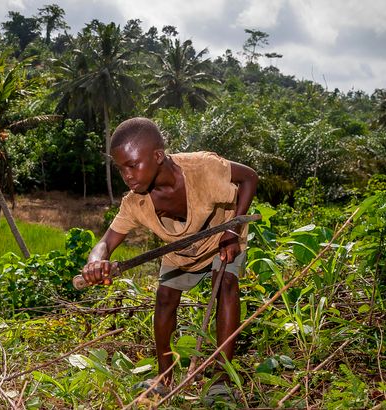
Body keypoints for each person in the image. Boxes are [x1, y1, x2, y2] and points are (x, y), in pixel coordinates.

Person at [80, 117, 258, 401]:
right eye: (120, 168)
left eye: (132, 165)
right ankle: (164, 376)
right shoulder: (135, 203)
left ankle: (221, 380)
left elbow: (249, 177)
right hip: (181, 248)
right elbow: (106, 241)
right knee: (164, 298)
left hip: (223, 236)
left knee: (226, 283)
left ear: (158, 156)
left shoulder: (203, 168)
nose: (127, 175)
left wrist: (232, 229)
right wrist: (95, 262)